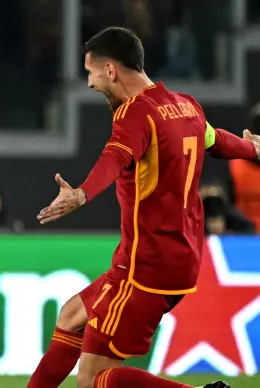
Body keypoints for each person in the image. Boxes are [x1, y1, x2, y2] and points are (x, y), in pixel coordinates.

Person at [32, 27, 260, 388]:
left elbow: (113, 158)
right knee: (72, 316)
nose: (89, 84)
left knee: (94, 381)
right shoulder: (186, 106)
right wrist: (253, 149)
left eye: (90, 73)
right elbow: (216, 140)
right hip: (180, 259)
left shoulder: (135, 114)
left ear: (110, 70)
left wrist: (81, 194)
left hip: (144, 266)